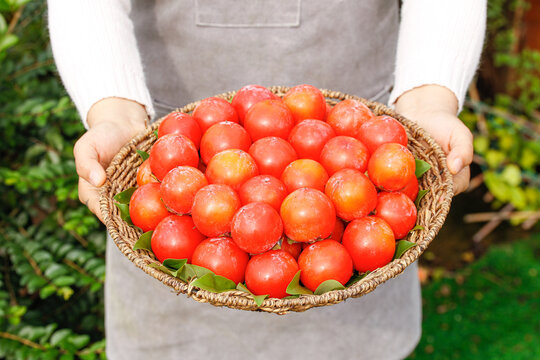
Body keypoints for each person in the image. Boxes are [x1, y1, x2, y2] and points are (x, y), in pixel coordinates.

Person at [47, 0, 486, 359]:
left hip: (361, 139)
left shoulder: (356, 171)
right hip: (169, 147)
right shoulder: (185, 173)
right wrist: (114, 112)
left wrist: (429, 101)